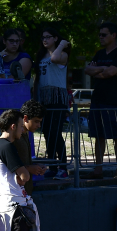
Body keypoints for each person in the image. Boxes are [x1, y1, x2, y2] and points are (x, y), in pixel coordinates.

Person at [84, 22, 117, 179]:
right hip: (97, 99)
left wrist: (99, 71)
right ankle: (98, 170)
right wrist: (103, 70)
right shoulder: (99, 54)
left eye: (104, 34)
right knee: (98, 135)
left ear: (113, 35)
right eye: (99, 35)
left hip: (113, 100)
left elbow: (112, 72)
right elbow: (87, 70)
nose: (100, 37)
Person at [33, 26, 71, 179]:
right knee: (48, 133)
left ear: (55, 38)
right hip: (44, 99)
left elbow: (54, 59)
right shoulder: (41, 56)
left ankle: (63, 167)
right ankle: (52, 166)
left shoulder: (62, 55)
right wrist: (35, 99)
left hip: (57, 99)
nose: (45, 40)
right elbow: (37, 80)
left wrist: (62, 44)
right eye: (43, 37)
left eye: (48, 37)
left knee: (55, 133)